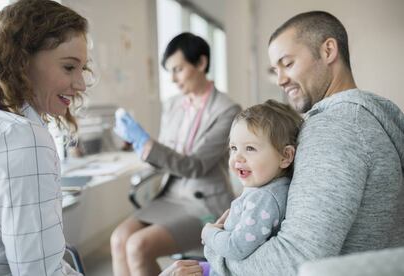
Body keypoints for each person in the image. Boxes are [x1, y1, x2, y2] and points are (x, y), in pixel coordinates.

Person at [161, 10, 404, 276]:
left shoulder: (335, 130)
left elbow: (294, 259)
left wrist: (214, 259)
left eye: (287, 64)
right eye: (275, 70)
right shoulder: (370, 114)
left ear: (328, 51)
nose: (280, 80)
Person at [111, 32, 241, 276]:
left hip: (205, 205)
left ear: (201, 64)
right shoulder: (172, 105)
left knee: (138, 246)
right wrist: (137, 145)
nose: (172, 79)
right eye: (169, 71)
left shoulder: (227, 110)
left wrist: (148, 144)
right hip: (170, 196)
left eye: (178, 69)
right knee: (119, 239)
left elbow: (195, 166)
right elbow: (166, 154)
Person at [0, 0, 90, 275]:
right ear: (21, 62)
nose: (81, 83)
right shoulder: (22, 139)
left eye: (82, 68)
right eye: (69, 68)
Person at [201, 100, 303, 275]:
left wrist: (208, 234)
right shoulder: (265, 188)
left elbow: (236, 248)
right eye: (233, 148)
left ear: (285, 156)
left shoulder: (264, 198)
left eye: (250, 148)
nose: (237, 158)